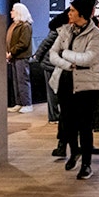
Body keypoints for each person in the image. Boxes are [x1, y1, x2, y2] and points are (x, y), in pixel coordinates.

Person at [49, 0, 99, 180]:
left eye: (72, 10)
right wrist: (68, 64)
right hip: (66, 81)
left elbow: (88, 58)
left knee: (85, 125)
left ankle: (86, 164)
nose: (69, 13)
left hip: (88, 85)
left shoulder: (96, 34)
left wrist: (65, 53)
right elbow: (52, 54)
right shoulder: (66, 30)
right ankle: (74, 152)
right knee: (68, 123)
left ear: (82, 13)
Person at [32, 10, 68, 139]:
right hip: (50, 63)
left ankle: (55, 116)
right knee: (52, 91)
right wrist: (37, 58)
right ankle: (53, 117)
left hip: (56, 63)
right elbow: (45, 43)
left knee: (55, 91)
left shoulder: (63, 28)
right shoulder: (59, 29)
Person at [6, 2, 34, 112]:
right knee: (16, 81)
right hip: (14, 57)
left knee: (23, 81)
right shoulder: (15, 25)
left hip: (21, 57)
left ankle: (27, 103)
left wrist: (11, 52)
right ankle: (19, 102)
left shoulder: (25, 26)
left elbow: (23, 43)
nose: (11, 12)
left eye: (13, 10)